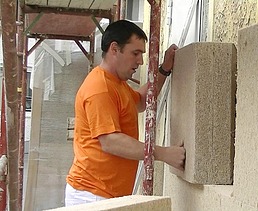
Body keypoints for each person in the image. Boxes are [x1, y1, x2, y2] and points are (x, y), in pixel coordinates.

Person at [65, 20, 185, 206]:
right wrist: (163, 154)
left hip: (104, 193)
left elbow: (142, 101)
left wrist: (163, 69)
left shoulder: (116, 84)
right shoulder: (100, 88)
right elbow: (110, 141)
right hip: (92, 195)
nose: (141, 61)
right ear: (114, 49)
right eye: (135, 53)